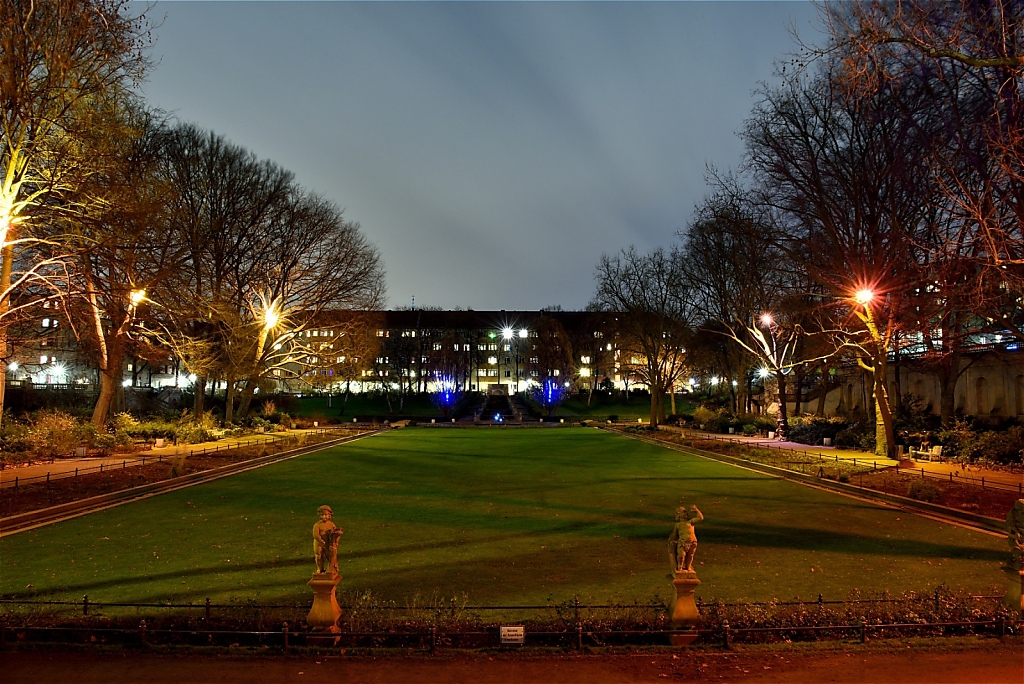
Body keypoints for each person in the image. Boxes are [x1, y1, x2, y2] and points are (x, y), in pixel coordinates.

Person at [667, 504, 704, 573]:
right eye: (683, 512)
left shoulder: (690, 522)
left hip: (692, 541)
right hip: (683, 542)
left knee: (691, 555)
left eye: (686, 512)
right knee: (681, 555)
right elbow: (674, 534)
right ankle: (680, 567)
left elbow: (700, 518)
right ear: (679, 515)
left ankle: (688, 566)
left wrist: (696, 510)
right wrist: (671, 540)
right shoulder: (678, 525)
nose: (686, 513)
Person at [312, 505, 342, 575]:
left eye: (326, 515)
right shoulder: (317, 525)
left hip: (328, 543)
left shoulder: (331, 524)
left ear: (329, 515)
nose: (324, 517)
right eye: (322, 515)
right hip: (319, 543)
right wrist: (320, 540)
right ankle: (320, 568)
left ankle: (331, 568)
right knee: (318, 555)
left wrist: (336, 539)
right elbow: (315, 535)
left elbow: (335, 532)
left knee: (329, 555)